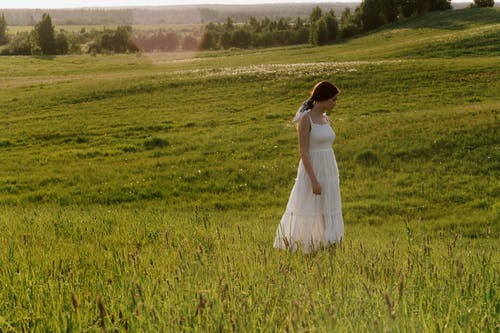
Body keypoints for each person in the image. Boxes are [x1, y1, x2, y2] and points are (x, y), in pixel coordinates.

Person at [274, 81, 344, 253]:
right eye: (333, 100)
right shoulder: (305, 119)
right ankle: (304, 245)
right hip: (313, 170)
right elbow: (304, 152)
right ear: (324, 98)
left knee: (329, 206)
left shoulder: (326, 118)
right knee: (308, 206)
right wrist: (314, 180)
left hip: (329, 169)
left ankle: (330, 244)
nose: (335, 103)